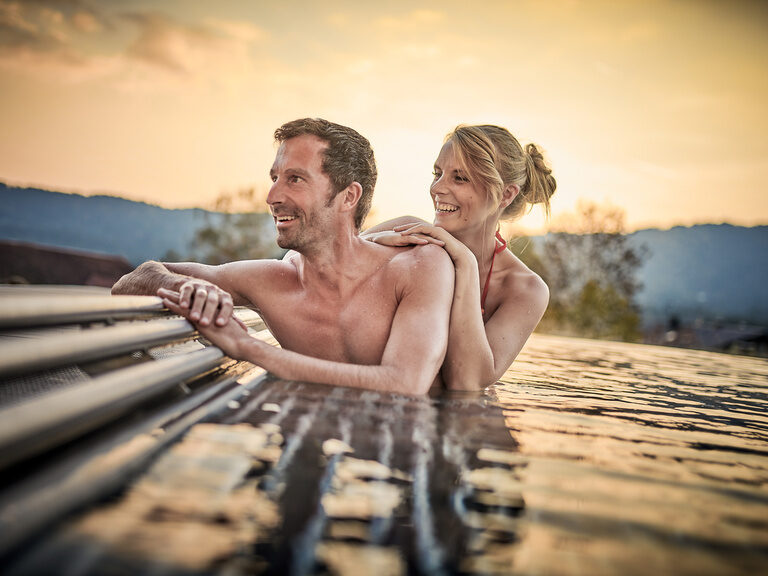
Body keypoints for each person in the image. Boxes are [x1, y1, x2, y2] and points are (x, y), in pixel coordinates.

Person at [112, 118, 454, 395]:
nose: (272, 196)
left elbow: (405, 385)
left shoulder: (418, 266)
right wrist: (187, 288)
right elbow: (134, 279)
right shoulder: (271, 282)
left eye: (295, 179)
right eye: (274, 178)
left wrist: (247, 347)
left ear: (348, 197)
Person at [364, 124, 555, 391]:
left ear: (506, 194)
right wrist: (371, 243)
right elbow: (308, 267)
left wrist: (465, 263)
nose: (437, 188)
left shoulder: (525, 289)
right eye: (437, 173)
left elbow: (466, 383)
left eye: (460, 178)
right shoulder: (403, 231)